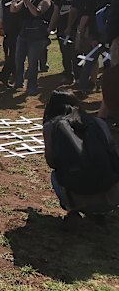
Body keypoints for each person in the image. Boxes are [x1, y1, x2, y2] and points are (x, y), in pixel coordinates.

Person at [43, 90, 119, 227]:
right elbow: (113, 152)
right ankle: (100, 211)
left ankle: (73, 209)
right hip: (113, 196)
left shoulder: (51, 126)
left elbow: (52, 161)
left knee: (55, 174)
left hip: (77, 194)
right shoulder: (98, 122)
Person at [68, 0, 113, 92]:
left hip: (97, 26)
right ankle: (84, 82)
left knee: (97, 55)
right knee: (82, 53)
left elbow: (94, 11)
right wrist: (71, 26)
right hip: (83, 25)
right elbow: (75, 10)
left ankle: (93, 82)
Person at [10, 0, 52, 95]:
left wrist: (27, 2)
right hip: (24, 33)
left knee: (33, 62)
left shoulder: (45, 0)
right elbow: (13, 10)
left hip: (37, 36)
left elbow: (37, 13)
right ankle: (19, 82)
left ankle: (32, 86)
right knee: (19, 59)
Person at [0, 0, 27, 86]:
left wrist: (2, 27)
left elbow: (0, 14)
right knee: (15, 54)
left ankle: (12, 76)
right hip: (18, 28)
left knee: (13, 53)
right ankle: (5, 75)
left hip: (9, 28)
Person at [48, 0, 79, 85]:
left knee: (75, 54)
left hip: (75, 30)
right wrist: (50, 28)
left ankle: (78, 76)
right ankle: (68, 75)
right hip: (62, 31)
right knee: (65, 55)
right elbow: (55, 15)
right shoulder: (60, 0)